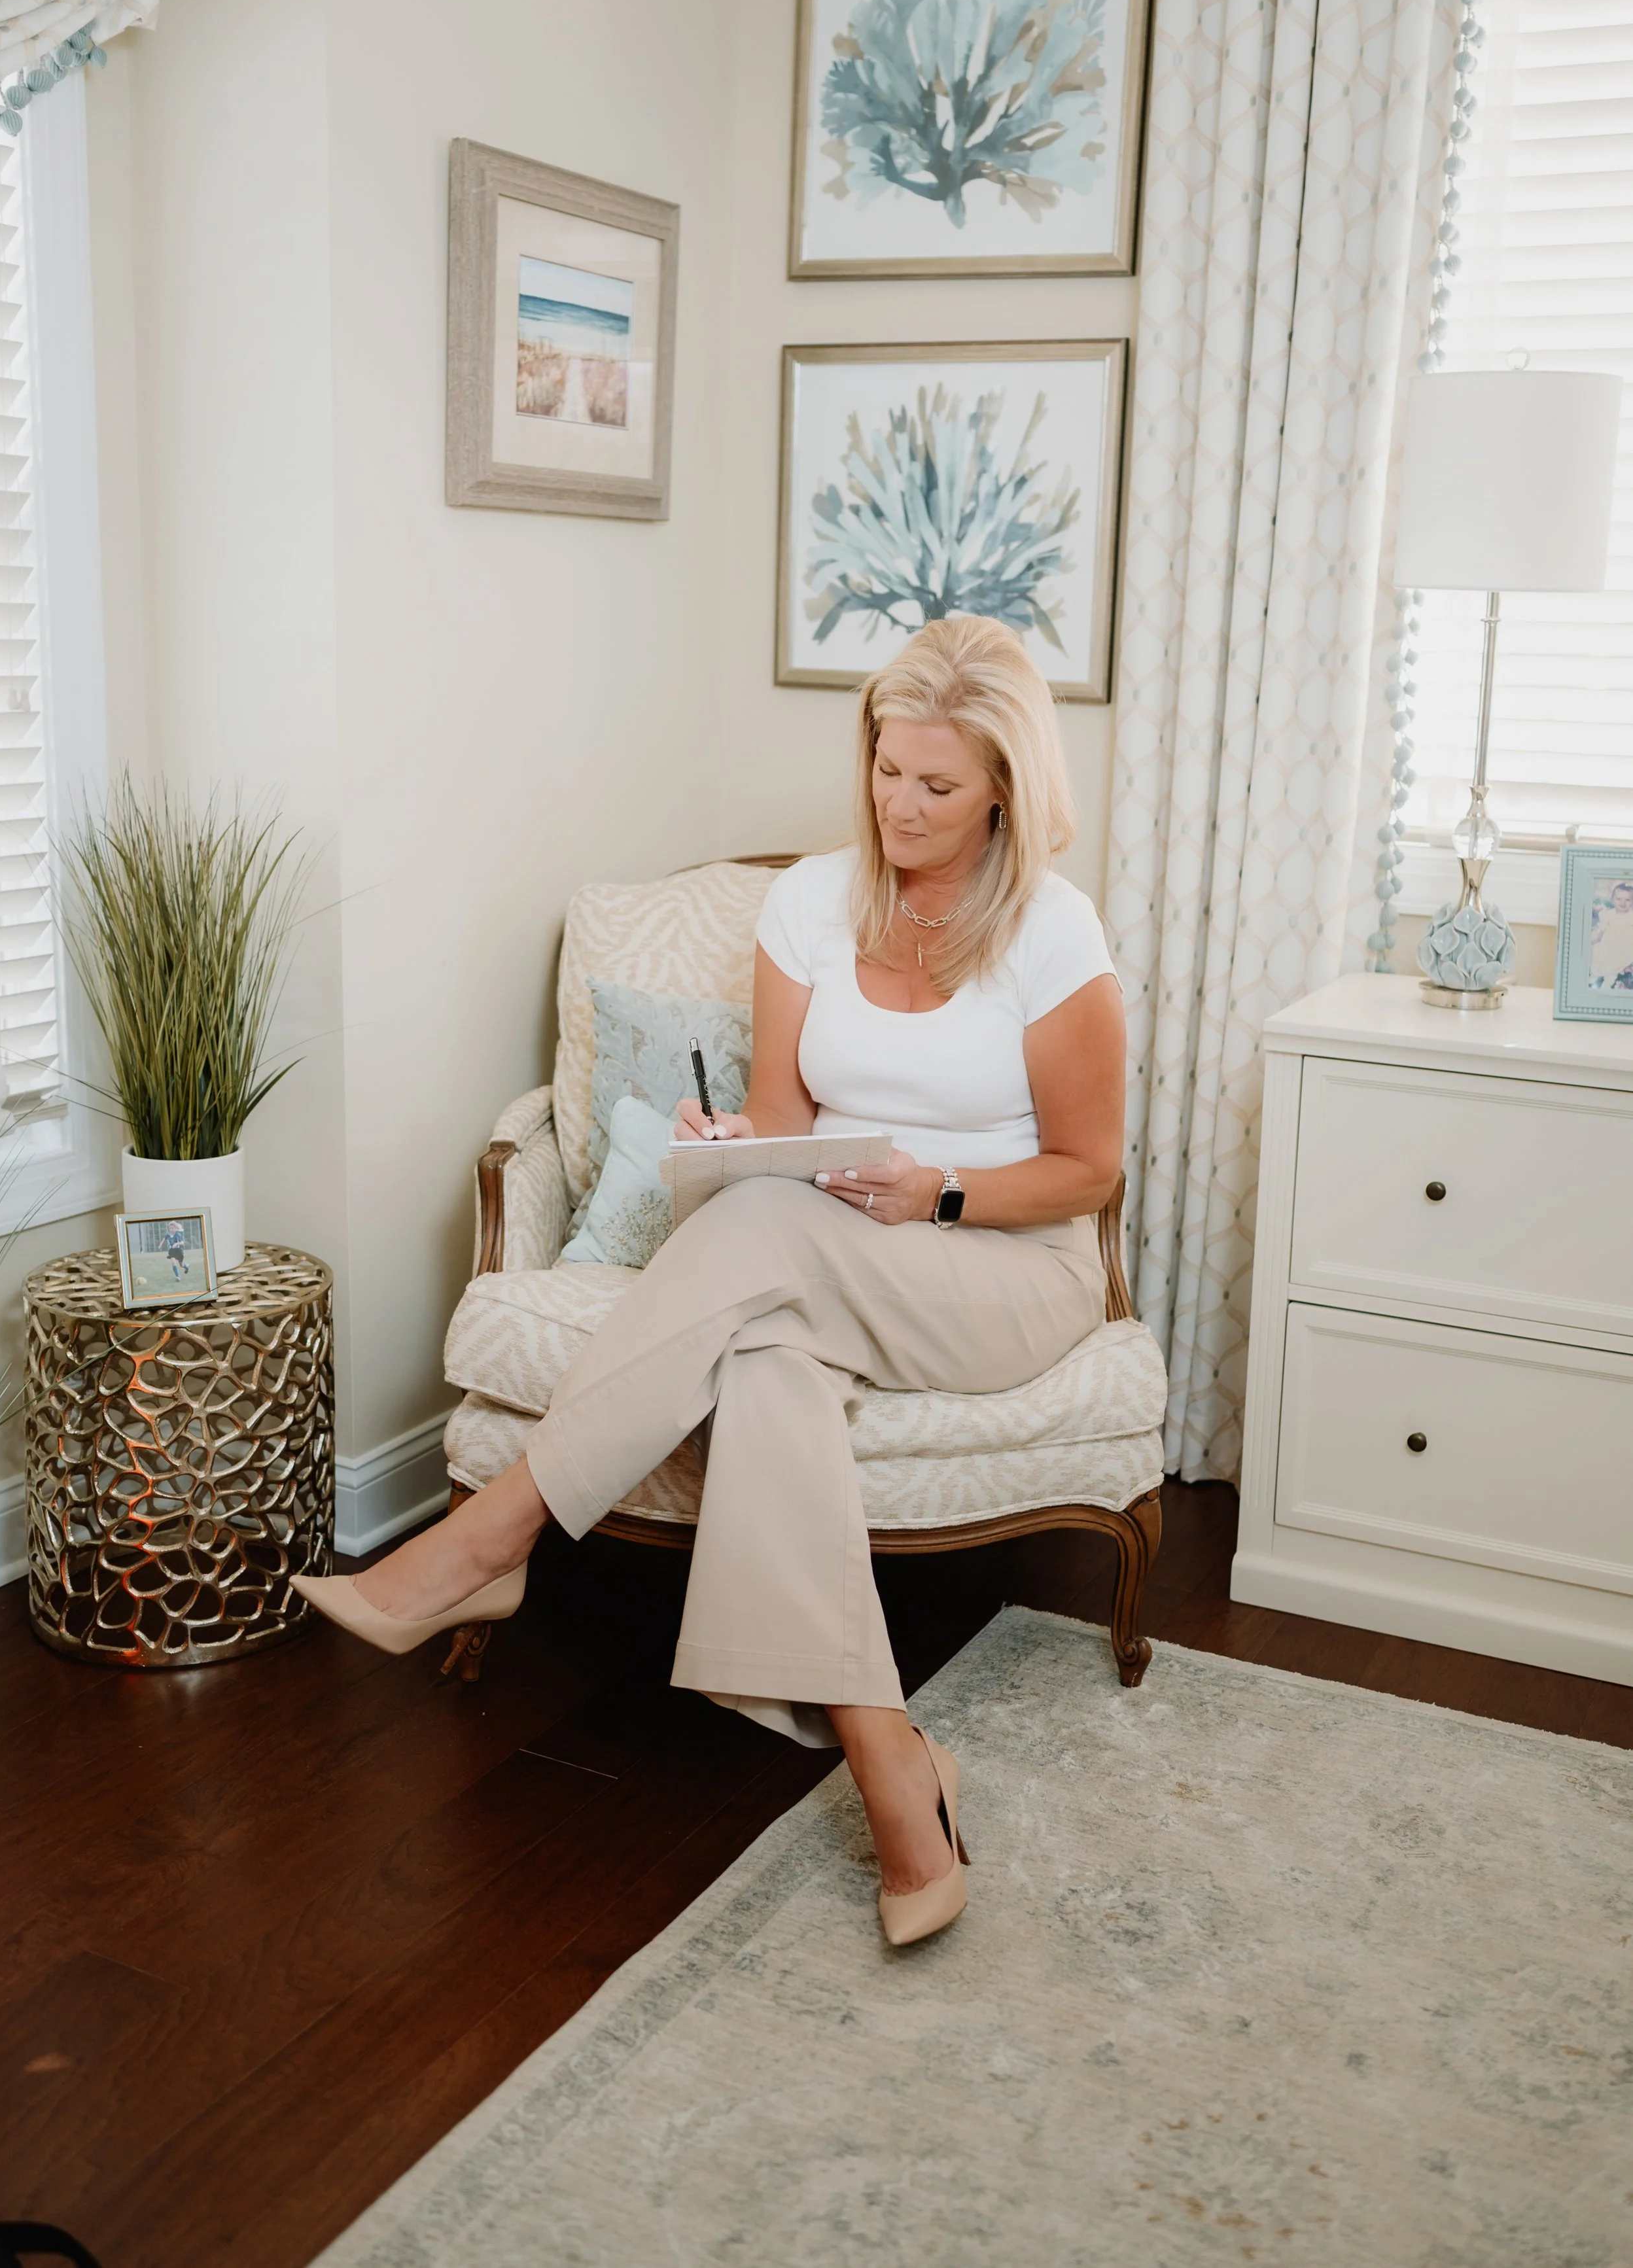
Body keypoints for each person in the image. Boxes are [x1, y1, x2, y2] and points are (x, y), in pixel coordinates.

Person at [295, 618, 1126, 1947]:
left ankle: (493, 1536)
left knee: (763, 1239)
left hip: (1003, 1265)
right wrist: (735, 1142)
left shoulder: (1052, 931)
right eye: (885, 768)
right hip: (827, 1246)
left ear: (1002, 792)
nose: (898, 804)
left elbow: (1088, 1171)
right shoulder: (809, 902)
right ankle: (894, 1766)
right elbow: (784, 1123)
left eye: (936, 784)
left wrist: (935, 1187)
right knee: (764, 1346)